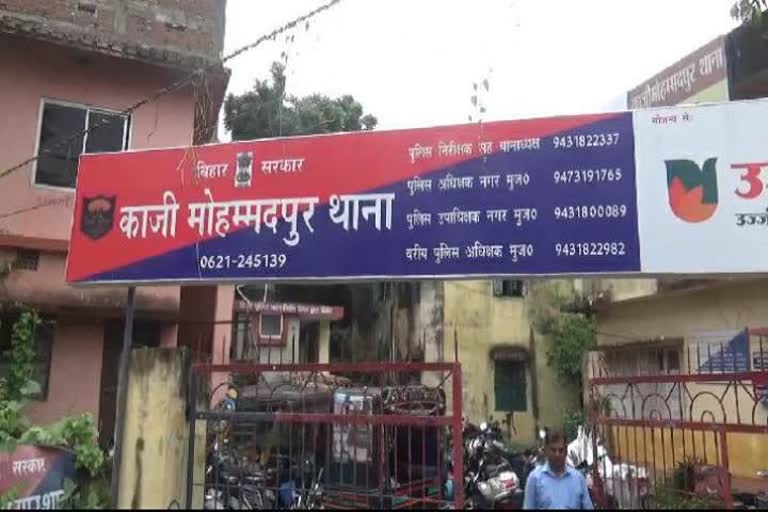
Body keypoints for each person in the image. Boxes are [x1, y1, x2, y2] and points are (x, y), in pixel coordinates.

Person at [523, 430, 593, 510]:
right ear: (546, 451)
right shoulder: (535, 479)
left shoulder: (578, 478)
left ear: (566, 451)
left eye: (561, 450)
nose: (557, 454)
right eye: (553, 450)